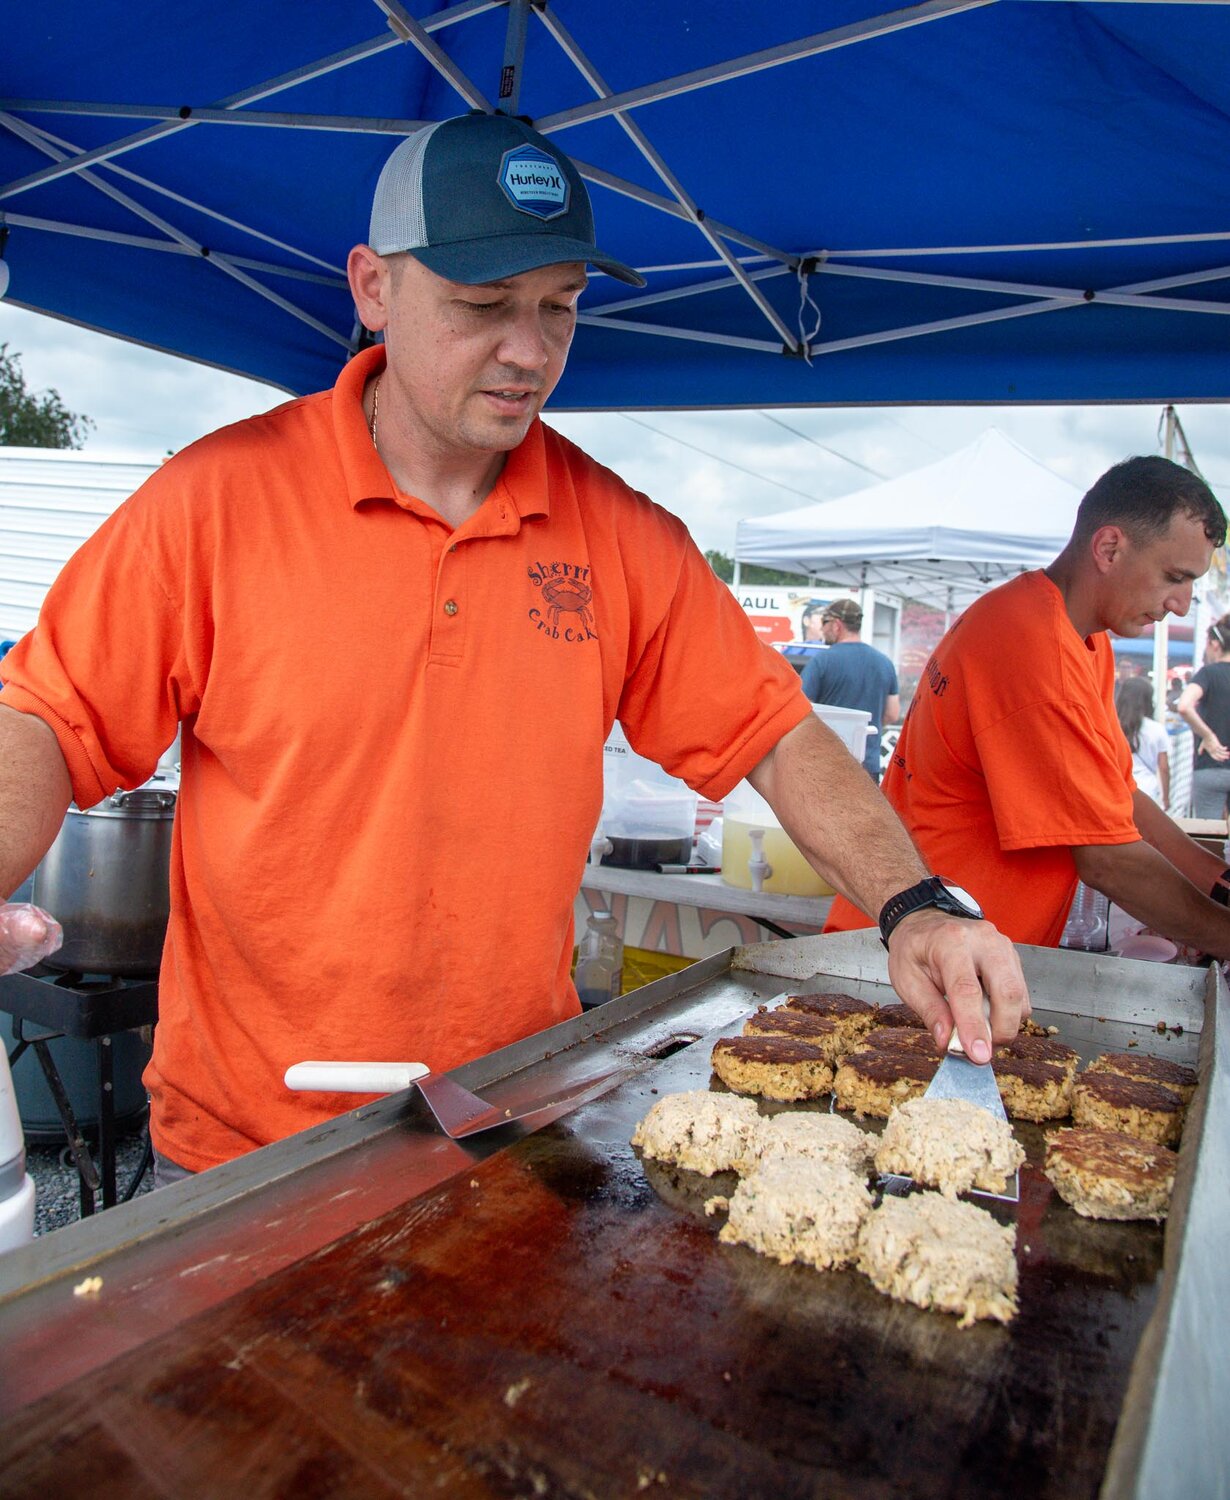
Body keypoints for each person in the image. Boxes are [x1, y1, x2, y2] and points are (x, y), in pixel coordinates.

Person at [0, 113, 1026, 1180]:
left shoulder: (621, 537)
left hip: (502, 1128)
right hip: (246, 1145)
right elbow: (44, 718)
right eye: (483, 306)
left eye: (559, 309)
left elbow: (777, 737)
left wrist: (916, 906)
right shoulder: (215, 503)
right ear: (372, 289)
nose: (529, 351)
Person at [826, 456, 1230, 958]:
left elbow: (1118, 795)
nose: (1182, 604)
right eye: (1174, 577)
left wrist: (1218, 881)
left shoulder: (1082, 637)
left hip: (955, 948)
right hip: (912, 954)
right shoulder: (1033, 646)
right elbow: (1107, 860)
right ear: (1109, 547)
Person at [800, 598, 900, 780]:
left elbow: (800, 708)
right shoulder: (885, 663)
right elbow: (892, 714)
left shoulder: (822, 661)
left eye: (825, 622)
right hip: (868, 765)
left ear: (837, 625)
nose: (822, 629)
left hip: (828, 763)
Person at [1176, 617, 1230, 819]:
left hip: (1210, 767)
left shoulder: (1208, 674)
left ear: (1215, 644)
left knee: (1209, 836)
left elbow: (1184, 706)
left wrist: (1208, 736)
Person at [1114, 675, 1169, 809]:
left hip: (1117, 790)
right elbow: (1164, 768)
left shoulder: (1111, 726)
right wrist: (1166, 798)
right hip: (1148, 792)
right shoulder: (1157, 729)